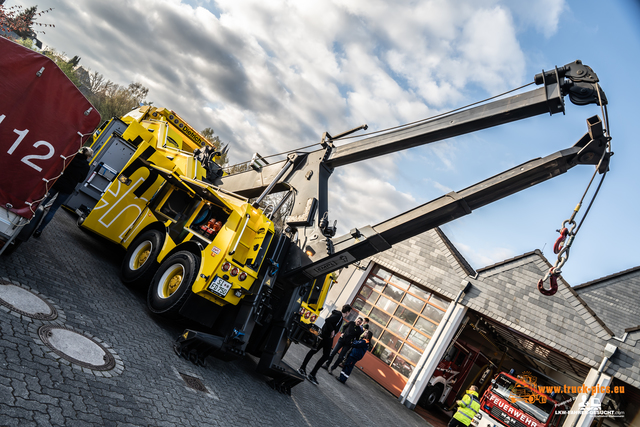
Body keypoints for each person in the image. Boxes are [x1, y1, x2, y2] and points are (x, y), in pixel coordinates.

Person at [33, 147, 93, 237]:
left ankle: (28, 222)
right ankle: (39, 230)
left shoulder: (71, 157)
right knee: (53, 209)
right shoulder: (86, 167)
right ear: (88, 156)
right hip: (67, 189)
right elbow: (81, 180)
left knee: (41, 203)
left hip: (57, 183)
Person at [298, 304, 351, 385]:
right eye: (349, 312)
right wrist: (332, 330)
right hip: (327, 337)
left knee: (314, 351)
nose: (349, 314)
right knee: (325, 355)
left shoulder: (338, 315)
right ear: (347, 312)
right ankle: (311, 373)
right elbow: (328, 320)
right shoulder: (338, 316)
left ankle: (304, 368)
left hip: (325, 336)